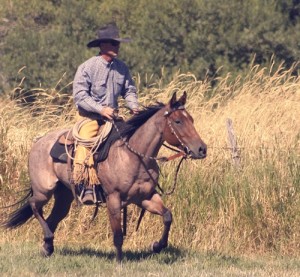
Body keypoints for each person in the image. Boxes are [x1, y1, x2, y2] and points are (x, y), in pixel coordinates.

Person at [72, 22, 139, 205]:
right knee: (86, 144)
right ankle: (86, 185)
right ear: (103, 45)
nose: (118, 46)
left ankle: (128, 181)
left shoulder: (122, 68)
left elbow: (129, 90)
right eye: (114, 43)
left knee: (132, 140)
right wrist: (101, 109)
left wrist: (134, 105)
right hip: (89, 118)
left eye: (118, 43)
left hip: (113, 118)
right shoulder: (87, 67)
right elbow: (80, 96)